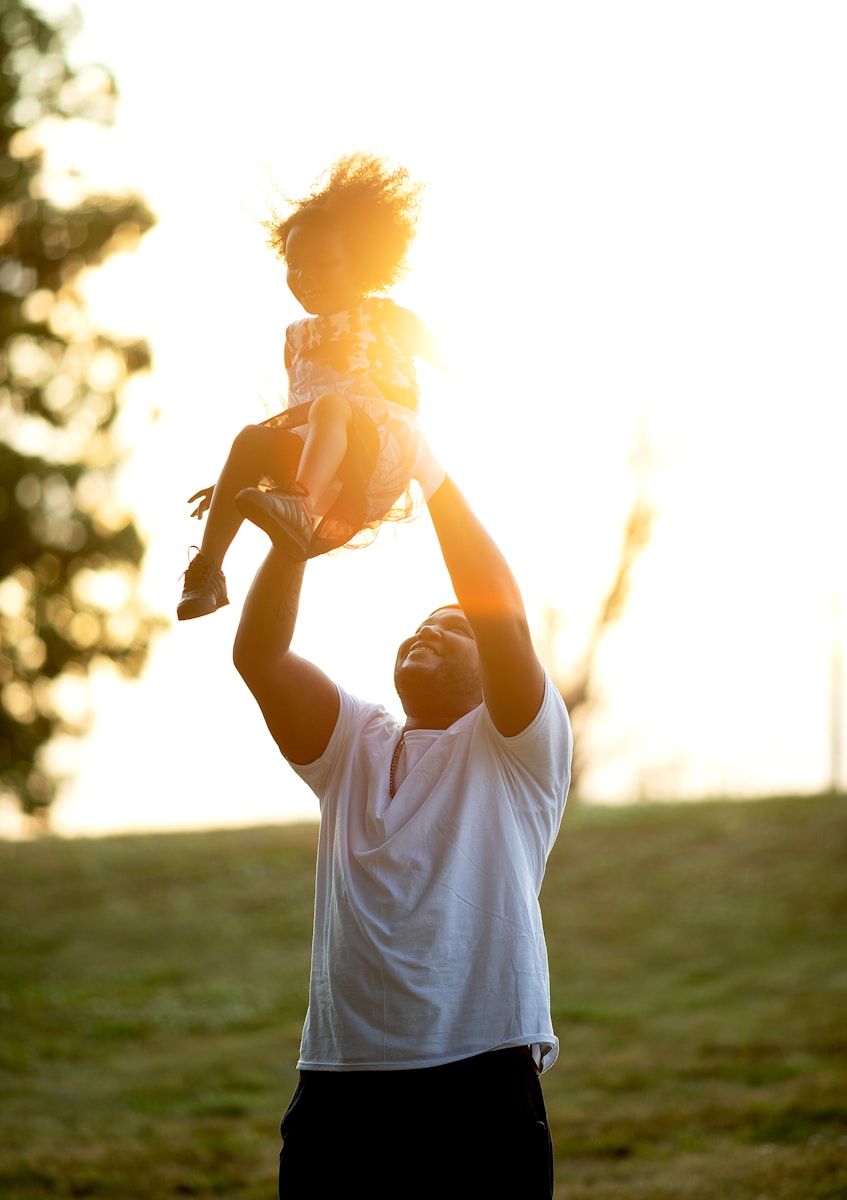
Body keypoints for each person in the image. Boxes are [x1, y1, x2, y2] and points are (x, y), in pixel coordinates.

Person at [232, 456, 573, 1199]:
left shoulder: (518, 748)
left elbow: (500, 613)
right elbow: (259, 655)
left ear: (500, 666)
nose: (429, 632)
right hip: (339, 1085)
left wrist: (425, 469)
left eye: (455, 630)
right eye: (420, 625)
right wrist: (292, 542)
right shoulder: (355, 741)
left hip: (478, 1080)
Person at [177, 152, 444, 621]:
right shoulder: (295, 337)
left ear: (362, 265)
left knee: (331, 406)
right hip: (323, 448)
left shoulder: (385, 317)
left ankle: (302, 505)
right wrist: (234, 476)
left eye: (323, 264)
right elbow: (298, 417)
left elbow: (442, 356)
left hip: (379, 450)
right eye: (295, 264)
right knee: (250, 438)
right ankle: (208, 573)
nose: (305, 277)